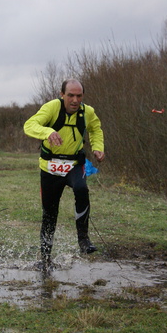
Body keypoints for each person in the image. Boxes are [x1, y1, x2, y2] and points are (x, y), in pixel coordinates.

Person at [23, 79, 105, 268]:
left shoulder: (88, 112)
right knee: (50, 214)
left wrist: (98, 147)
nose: (75, 100)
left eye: (79, 96)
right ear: (62, 95)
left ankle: (83, 240)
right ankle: (45, 259)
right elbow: (29, 125)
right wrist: (47, 132)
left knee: (81, 189)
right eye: (71, 95)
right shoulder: (52, 107)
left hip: (74, 164)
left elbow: (95, 130)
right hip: (50, 167)